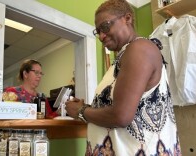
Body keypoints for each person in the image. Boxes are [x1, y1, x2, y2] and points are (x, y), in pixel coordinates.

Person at [65, 0, 181, 155]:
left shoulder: (139, 49)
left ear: (127, 18)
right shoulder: (124, 56)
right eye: (97, 31)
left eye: (105, 27)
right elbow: (122, 107)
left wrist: (81, 111)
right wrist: (90, 107)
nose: (101, 36)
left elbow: (121, 116)